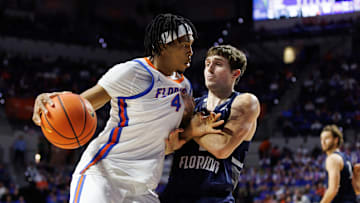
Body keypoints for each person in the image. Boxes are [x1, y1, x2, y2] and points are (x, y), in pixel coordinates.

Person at [32, 13, 224, 203]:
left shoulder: (185, 87)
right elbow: (80, 106)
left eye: (191, 46)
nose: (190, 51)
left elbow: (166, 144)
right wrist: (49, 102)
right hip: (104, 175)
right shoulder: (133, 73)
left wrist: (191, 127)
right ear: (164, 46)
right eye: (184, 46)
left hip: (142, 188)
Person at [160, 45, 260, 202]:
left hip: (214, 198)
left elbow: (221, 149)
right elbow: (164, 148)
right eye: (207, 64)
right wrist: (192, 128)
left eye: (218, 64)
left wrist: (189, 127)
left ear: (235, 73)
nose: (210, 69)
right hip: (173, 197)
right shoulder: (191, 106)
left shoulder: (245, 102)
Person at [320, 125, 360, 203]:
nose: (323, 142)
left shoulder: (332, 158)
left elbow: (333, 190)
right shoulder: (346, 158)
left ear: (336, 140)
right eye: (321, 139)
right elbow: (357, 190)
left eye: (327, 138)